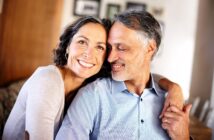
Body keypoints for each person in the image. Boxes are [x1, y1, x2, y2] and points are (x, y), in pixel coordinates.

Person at [3, 16, 182, 140]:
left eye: (100, 47)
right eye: (82, 42)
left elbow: (140, 74)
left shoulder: (87, 84)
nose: (89, 54)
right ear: (67, 46)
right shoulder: (48, 79)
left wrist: (174, 88)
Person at [56, 10, 190, 140]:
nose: (110, 58)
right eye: (109, 48)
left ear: (149, 48)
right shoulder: (93, 96)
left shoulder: (170, 101)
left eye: (121, 48)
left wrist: (183, 137)